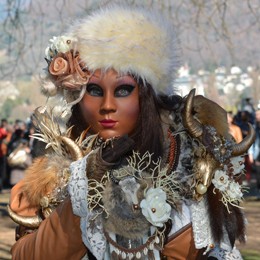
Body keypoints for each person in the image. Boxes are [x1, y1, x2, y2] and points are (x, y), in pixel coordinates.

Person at [8, 4, 255, 260]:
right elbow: (26, 255)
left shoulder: (192, 164)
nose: (107, 106)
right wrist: (82, 192)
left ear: (146, 97)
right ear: (77, 97)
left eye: (123, 90)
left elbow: (219, 250)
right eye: (94, 91)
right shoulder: (51, 177)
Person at [248, 109, 260, 194]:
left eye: (258, 114)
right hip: (257, 155)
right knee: (258, 175)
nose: (257, 116)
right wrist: (251, 155)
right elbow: (251, 142)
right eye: (256, 115)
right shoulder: (254, 127)